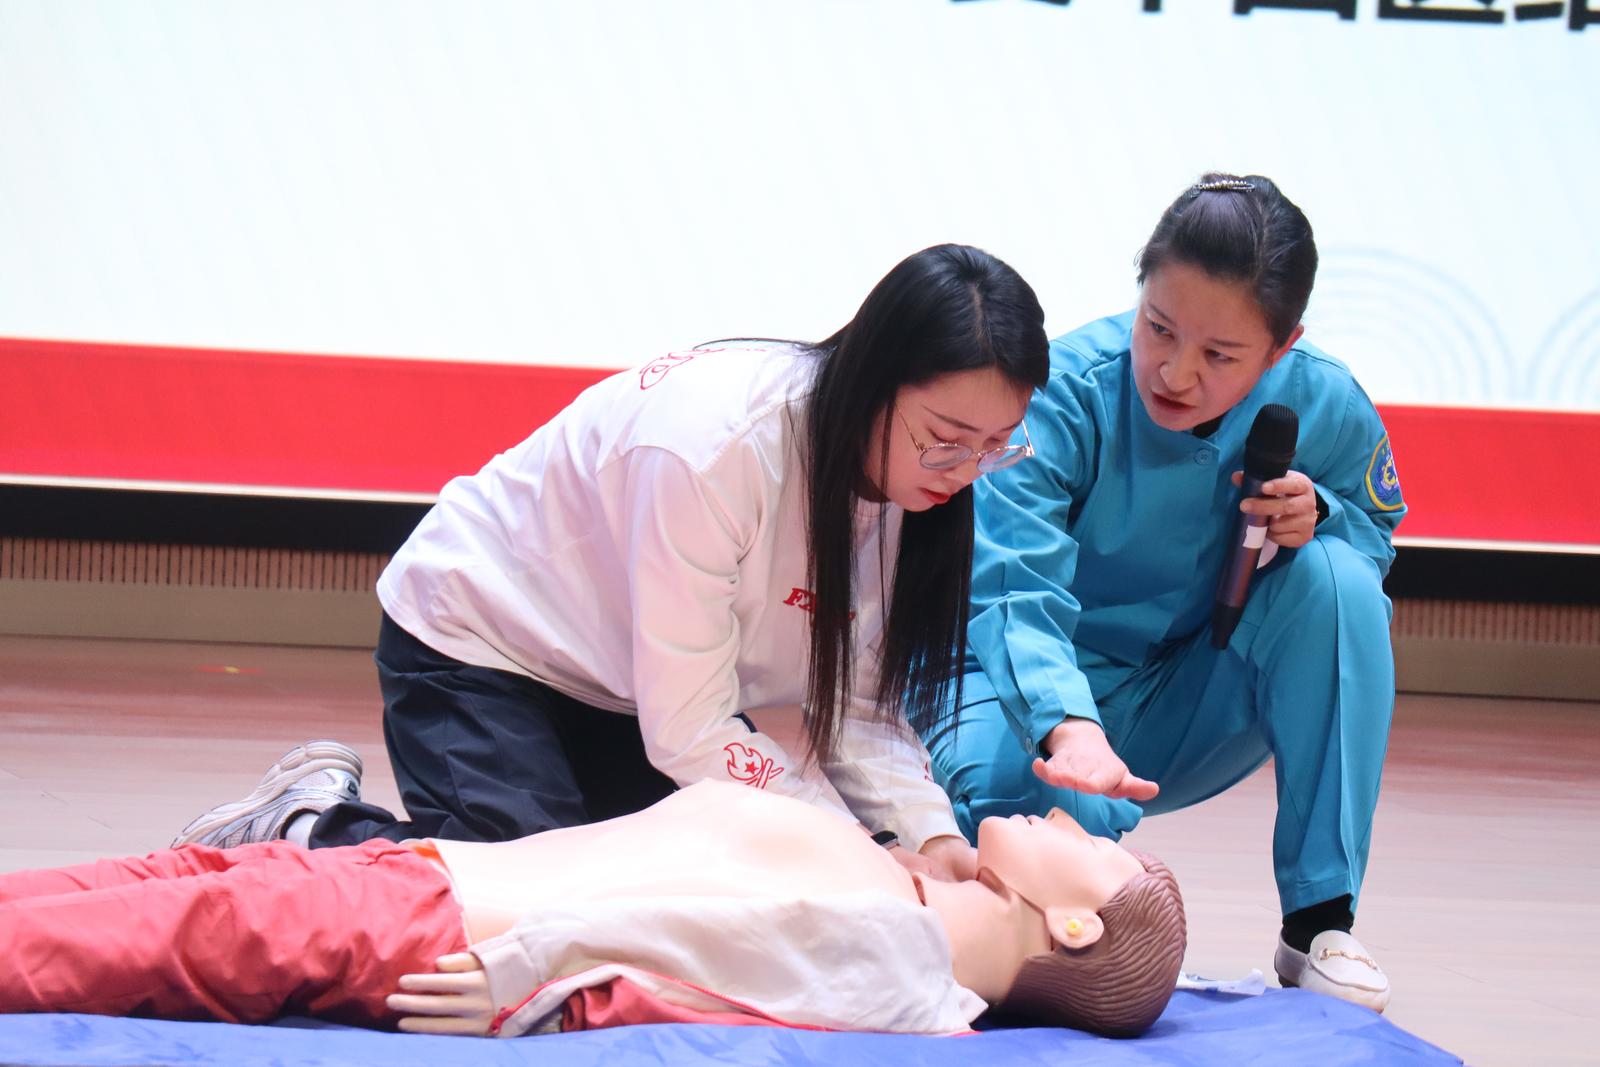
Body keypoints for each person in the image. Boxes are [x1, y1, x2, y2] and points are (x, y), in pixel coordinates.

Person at [174, 245, 1050, 882]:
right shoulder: (715, 450)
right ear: (871, 381)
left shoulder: (919, 489)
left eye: (996, 445)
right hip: (484, 641)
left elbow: (856, 703)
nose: (966, 471)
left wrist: (933, 840)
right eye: (945, 439)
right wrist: (857, 852)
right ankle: (309, 824)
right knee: (540, 893)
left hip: (627, 685)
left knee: (680, 889)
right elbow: (691, 728)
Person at [921, 175, 1403, 1011]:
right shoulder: (1061, 393)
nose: (1175, 371)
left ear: (1281, 348)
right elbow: (1010, 589)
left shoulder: (1322, 398)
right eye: (1159, 328)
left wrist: (1321, 513)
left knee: (1339, 585)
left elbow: (1375, 531)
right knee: (1034, 828)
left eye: (1220, 356)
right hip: (1015, 689)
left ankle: (1319, 923)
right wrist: (1069, 728)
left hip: (1182, 689)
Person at [1, 779, 1186, 1039]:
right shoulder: (909, 901)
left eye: (1095, 852)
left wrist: (537, 970)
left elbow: (693, 972)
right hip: (417, 880)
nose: (1069, 819)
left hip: (431, 925)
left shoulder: (904, 962)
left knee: (112, 934)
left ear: (1072, 924)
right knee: (134, 892)